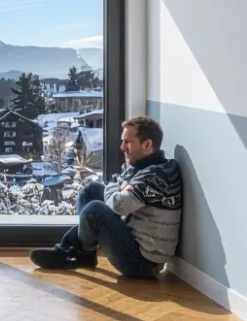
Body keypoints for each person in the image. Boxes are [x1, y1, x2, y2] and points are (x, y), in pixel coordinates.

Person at [30, 116, 182, 278]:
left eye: (127, 142)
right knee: (91, 190)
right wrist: (117, 189)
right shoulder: (146, 166)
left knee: (94, 210)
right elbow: (118, 189)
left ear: (147, 145)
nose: (122, 147)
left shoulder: (156, 176)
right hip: (133, 240)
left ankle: (74, 251)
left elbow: (118, 204)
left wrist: (114, 189)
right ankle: (83, 253)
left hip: (141, 263)